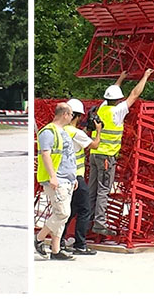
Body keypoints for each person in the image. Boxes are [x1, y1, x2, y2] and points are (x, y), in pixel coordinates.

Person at [90, 68, 154, 236]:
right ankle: (99, 223)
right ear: (118, 100)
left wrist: (120, 79)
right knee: (103, 190)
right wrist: (145, 76)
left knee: (92, 189)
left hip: (94, 154)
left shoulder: (102, 109)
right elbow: (134, 94)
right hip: (107, 157)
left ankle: (87, 219)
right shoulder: (117, 112)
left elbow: (111, 95)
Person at [35, 103, 78, 261]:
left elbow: (68, 156)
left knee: (61, 216)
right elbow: (46, 155)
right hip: (56, 180)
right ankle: (39, 238)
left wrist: (72, 178)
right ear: (65, 114)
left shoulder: (63, 132)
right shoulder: (48, 132)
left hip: (67, 180)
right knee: (62, 213)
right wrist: (53, 176)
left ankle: (55, 250)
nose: (72, 117)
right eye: (71, 114)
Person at [62, 99, 101, 255]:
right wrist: (98, 130)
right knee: (85, 210)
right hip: (77, 177)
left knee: (69, 211)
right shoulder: (76, 133)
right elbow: (95, 145)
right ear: (77, 116)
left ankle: (61, 240)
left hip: (64, 176)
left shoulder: (61, 130)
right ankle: (80, 244)